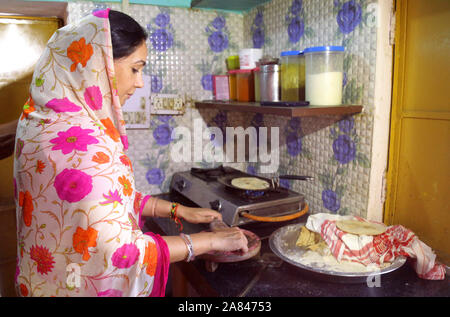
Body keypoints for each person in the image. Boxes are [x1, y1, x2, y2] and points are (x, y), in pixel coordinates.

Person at [13, 8, 248, 297]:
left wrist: (177, 209)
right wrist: (210, 243)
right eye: (136, 68)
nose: (139, 82)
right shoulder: (84, 145)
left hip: (45, 281)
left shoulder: (41, 121)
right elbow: (123, 254)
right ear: (101, 65)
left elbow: (104, 199)